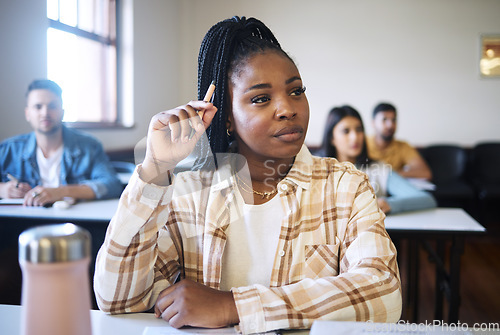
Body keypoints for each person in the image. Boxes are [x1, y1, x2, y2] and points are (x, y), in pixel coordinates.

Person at [94, 16, 402, 334]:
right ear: (227, 117)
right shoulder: (190, 193)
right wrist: (155, 170)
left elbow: (384, 295)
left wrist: (232, 306)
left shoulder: (345, 186)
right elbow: (118, 299)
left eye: (296, 91)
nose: (287, 108)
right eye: (260, 98)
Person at [0, 79, 123, 206]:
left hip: (74, 222)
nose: (45, 113)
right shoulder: (8, 149)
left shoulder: (89, 146)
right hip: (20, 222)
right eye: (38, 107)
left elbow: (112, 185)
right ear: (28, 114)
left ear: (62, 112)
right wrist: (2, 189)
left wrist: (61, 192)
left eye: (52, 106)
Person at [320, 105, 437, 214]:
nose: (355, 137)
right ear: (332, 138)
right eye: (346, 131)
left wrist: (388, 204)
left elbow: (427, 199)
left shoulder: (378, 169)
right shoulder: (316, 169)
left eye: (359, 130)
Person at [366, 102, 432, 180]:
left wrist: (389, 175)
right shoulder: (362, 143)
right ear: (373, 123)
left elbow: (425, 173)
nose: (390, 125)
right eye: (384, 119)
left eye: (393, 120)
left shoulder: (403, 146)